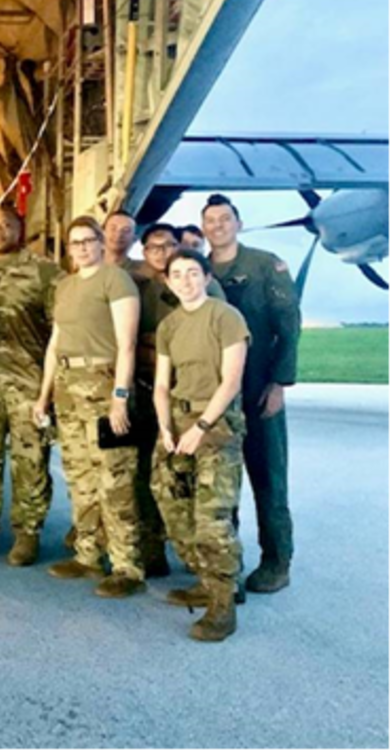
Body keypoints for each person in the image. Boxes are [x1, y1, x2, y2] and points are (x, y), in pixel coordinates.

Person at [34, 215, 145, 598]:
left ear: (100, 243)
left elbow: (127, 344)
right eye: (75, 242)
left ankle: (127, 565)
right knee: (79, 476)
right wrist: (44, 395)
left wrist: (120, 398)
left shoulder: (116, 280)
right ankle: (88, 554)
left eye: (88, 240)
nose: (81, 248)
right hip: (68, 386)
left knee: (114, 477)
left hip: (103, 383)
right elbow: (55, 343)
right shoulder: (65, 287)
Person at [203, 193, 301, 593]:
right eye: (211, 221)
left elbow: (288, 325)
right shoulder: (197, 271)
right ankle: (226, 564)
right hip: (217, 394)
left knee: (269, 479)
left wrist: (280, 384)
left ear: (238, 224)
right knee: (220, 484)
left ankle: (277, 561)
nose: (218, 226)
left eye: (225, 219)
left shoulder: (264, 265)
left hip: (259, 388)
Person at [153, 249, 249, 641]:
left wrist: (202, 426)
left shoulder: (226, 317)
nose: (185, 281)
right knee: (172, 505)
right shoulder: (170, 325)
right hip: (177, 422)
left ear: (207, 277)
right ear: (168, 281)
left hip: (216, 424)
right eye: (177, 274)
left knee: (212, 517)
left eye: (193, 272)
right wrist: (165, 428)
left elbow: (231, 381)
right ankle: (206, 579)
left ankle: (223, 603)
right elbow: (162, 385)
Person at [0, 207, 62, 566]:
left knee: (30, 458)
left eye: (6, 225)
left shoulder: (45, 271)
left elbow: (59, 328)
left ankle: (27, 532)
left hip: (27, 379)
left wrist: (51, 387)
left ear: (21, 230)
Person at [130, 222, 227, 576]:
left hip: (196, 398)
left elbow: (212, 344)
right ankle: (154, 550)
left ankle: (215, 567)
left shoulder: (205, 289)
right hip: (151, 392)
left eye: (169, 245)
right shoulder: (139, 288)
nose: (162, 253)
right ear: (144, 252)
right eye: (154, 247)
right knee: (151, 475)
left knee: (208, 488)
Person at [103, 211, 150, 284]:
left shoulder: (145, 270)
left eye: (126, 230)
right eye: (113, 228)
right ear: (102, 233)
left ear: (135, 238)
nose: (118, 234)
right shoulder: (86, 266)